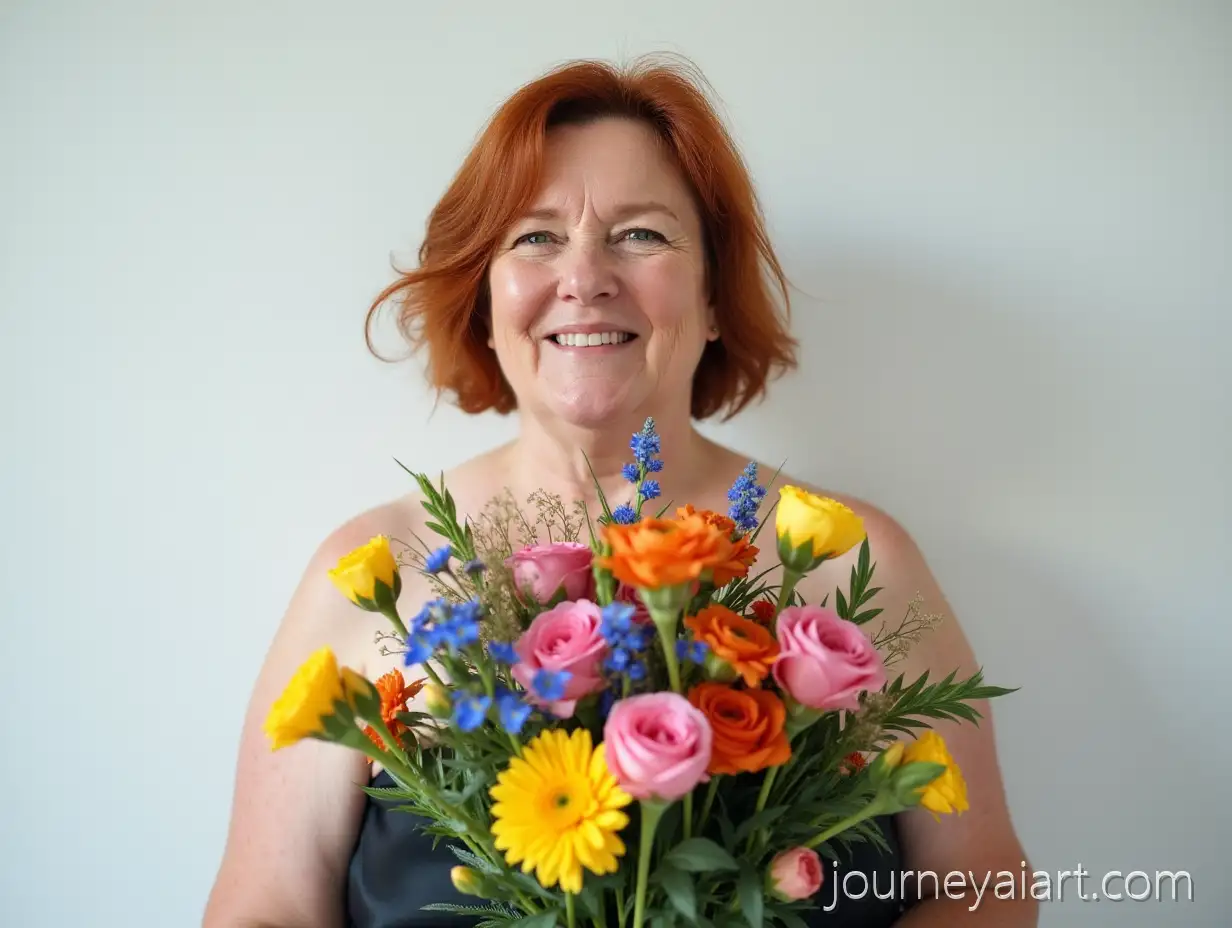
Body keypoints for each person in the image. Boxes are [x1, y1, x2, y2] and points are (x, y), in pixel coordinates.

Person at [204, 56, 1037, 927]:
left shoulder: (854, 563)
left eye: (642, 234)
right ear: (483, 302)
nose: (586, 275)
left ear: (714, 298)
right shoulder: (369, 577)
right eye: (535, 237)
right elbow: (265, 907)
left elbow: (983, 889)